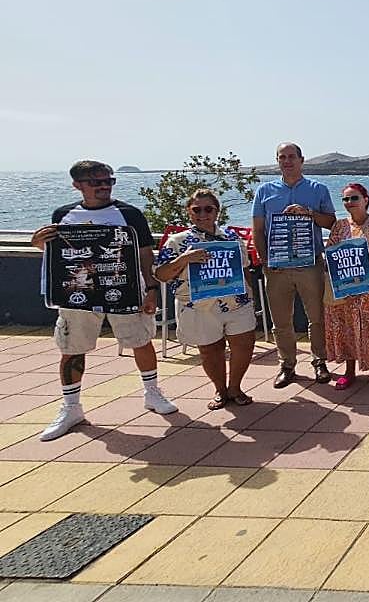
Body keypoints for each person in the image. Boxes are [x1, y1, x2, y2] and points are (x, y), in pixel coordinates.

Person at [32, 161, 177, 440]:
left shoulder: (129, 214)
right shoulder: (63, 214)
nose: (103, 185)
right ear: (77, 184)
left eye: (108, 180)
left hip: (124, 289)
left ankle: (152, 392)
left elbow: (146, 253)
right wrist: (38, 243)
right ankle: (71, 408)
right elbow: (54, 252)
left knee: (140, 341)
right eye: (95, 181)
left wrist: (151, 289)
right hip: (77, 293)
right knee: (72, 348)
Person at [154, 189, 258, 409]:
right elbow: (161, 274)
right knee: (210, 349)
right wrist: (184, 259)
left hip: (236, 302)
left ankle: (235, 387)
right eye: (197, 209)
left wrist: (251, 295)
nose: (203, 214)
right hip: (198, 306)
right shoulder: (177, 241)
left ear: (217, 211)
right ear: (189, 212)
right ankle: (220, 390)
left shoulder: (231, 238)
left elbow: (246, 268)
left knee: (244, 345)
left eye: (208, 209)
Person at [252, 142, 337, 388]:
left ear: (302, 160)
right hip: (277, 268)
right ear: (277, 161)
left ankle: (320, 361)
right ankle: (287, 365)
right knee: (281, 321)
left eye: (292, 157)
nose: (287, 161)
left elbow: (331, 222)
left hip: (310, 265)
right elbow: (257, 230)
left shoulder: (317, 189)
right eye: (282, 157)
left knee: (317, 317)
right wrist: (266, 261)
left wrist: (308, 212)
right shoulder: (264, 191)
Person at [324, 183, 369, 389]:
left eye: (354, 198)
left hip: (368, 288)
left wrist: (362, 284)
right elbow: (331, 254)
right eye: (345, 199)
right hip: (343, 287)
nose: (349, 203)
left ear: (366, 200)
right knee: (345, 327)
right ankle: (349, 370)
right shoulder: (339, 226)